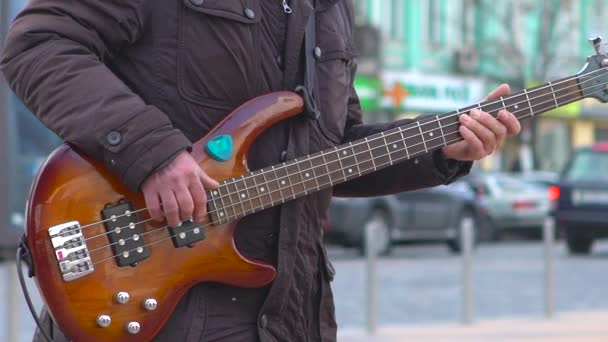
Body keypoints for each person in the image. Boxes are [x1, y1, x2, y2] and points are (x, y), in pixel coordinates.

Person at [0, 1, 521, 341]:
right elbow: (39, 45)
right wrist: (152, 154)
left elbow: (331, 156)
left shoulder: (331, 11)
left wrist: (442, 151)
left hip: (292, 316)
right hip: (164, 309)